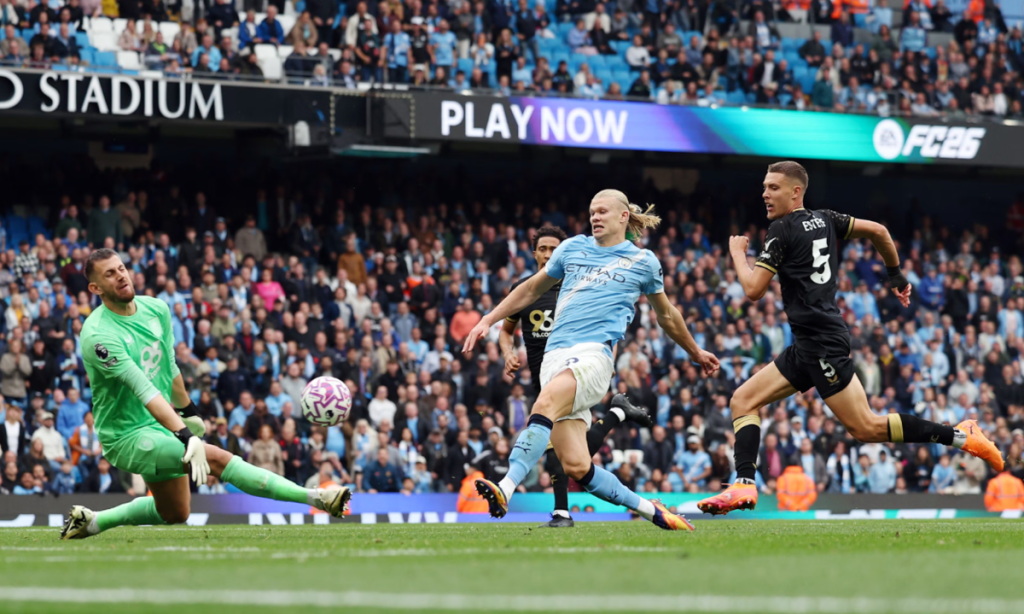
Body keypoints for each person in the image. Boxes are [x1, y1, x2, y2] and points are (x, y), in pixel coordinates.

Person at [697, 161, 1004, 516]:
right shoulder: (826, 218)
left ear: (796, 191)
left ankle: (962, 436)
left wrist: (737, 254)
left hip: (822, 343)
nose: (765, 193)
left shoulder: (781, 230)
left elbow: (752, 290)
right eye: (764, 187)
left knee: (867, 427)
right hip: (810, 342)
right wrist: (896, 276)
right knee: (743, 400)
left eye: (774, 188)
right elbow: (880, 232)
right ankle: (744, 485)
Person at [464, 189, 719, 531]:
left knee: (545, 402)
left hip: (593, 355)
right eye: (591, 212)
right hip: (554, 357)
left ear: (623, 216)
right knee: (577, 466)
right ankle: (652, 510)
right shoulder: (571, 248)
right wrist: (487, 320)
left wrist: (696, 351)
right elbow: (529, 290)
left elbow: (668, 316)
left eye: (602, 211)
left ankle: (505, 487)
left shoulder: (643, 262)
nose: (595, 217)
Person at [60, 250, 351, 540]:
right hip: (126, 435)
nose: (120, 275)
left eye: (121, 268)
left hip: (162, 424)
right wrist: (187, 436)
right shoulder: (98, 336)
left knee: (176, 512)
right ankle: (317, 498)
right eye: (109, 274)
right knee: (218, 459)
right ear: (95, 288)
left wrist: (188, 411)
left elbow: (169, 368)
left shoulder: (156, 309)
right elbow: (144, 389)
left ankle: (93, 522)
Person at [498, 226, 653, 528]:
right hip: (542, 374)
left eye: (552, 249)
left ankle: (560, 512)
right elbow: (505, 331)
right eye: (541, 248)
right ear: (534, 253)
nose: (546, 254)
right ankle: (618, 413)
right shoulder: (524, 288)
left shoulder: (578, 287)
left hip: (575, 370)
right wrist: (507, 352)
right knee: (575, 455)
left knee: (558, 449)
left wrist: (608, 358)